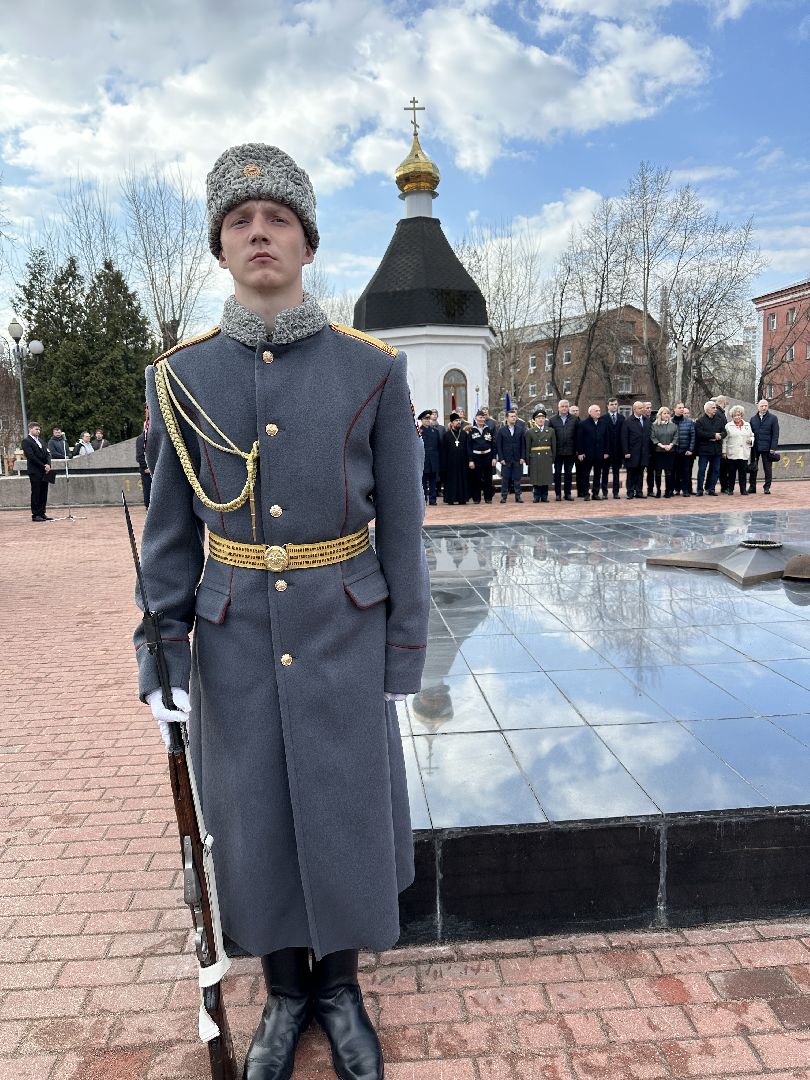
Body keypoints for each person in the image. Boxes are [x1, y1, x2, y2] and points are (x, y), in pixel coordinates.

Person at [134, 143, 429, 1080]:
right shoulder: (180, 380)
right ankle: (284, 989)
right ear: (221, 250)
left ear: (307, 245)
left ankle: (338, 986)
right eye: (238, 222)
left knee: (342, 813)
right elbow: (171, 535)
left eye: (279, 220)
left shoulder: (371, 370)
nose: (259, 233)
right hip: (231, 637)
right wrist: (161, 656)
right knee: (253, 813)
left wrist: (403, 653)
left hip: (343, 626)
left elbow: (406, 532)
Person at [575, 404, 610, 500]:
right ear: (590, 412)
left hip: (599, 454)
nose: (598, 412)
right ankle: (586, 493)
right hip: (587, 454)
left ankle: (595, 493)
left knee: (598, 474)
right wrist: (580, 453)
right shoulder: (583, 424)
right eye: (596, 411)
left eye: (599, 410)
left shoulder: (603, 423)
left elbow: (607, 438)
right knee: (585, 475)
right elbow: (579, 440)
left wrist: (606, 452)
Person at [21, 421, 53, 522]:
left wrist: (48, 465)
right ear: (30, 429)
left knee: (44, 492)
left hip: (45, 471)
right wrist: (43, 466)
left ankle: (42, 512)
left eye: (39, 429)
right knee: (36, 492)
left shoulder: (41, 441)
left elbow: (48, 454)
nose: (38, 431)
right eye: (36, 429)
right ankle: (35, 514)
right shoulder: (26, 441)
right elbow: (31, 456)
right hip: (35, 471)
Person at [694, 400, 726, 496]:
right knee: (702, 470)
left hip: (716, 449)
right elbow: (699, 433)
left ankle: (711, 488)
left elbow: (724, 432)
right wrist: (713, 435)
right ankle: (699, 489)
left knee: (715, 470)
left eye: (715, 408)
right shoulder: (700, 421)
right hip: (704, 450)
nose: (715, 409)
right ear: (707, 409)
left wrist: (720, 436)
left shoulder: (719, 420)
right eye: (713, 408)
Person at [549, 399, 578, 502]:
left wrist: (577, 450)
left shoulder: (574, 419)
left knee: (568, 473)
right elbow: (550, 437)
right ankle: (558, 494)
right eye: (562, 406)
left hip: (570, 451)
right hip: (557, 452)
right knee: (557, 473)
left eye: (566, 406)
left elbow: (577, 436)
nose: (564, 408)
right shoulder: (552, 420)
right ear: (558, 408)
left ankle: (568, 493)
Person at [749, 398, 780, 494]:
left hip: (767, 448)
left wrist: (773, 448)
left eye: (765, 406)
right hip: (755, 448)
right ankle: (752, 487)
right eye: (762, 406)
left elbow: (775, 434)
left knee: (768, 468)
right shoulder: (753, 419)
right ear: (758, 407)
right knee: (753, 467)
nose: (764, 408)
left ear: (768, 407)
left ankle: (767, 487)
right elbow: (750, 434)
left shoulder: (773, 418)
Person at [525, 406, 556, 502]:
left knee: (546, 477)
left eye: (542, 418)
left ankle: (545, 496)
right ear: (534, 420)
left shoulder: (550, 430)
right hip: (535, 457)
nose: (541, 420)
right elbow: (527, 447)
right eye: (538, 418)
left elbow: (553, 446)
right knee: (536, 477)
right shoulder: (530, 432)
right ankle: (536, 496)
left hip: (547, 456)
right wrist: (527, 459)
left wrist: (553, 457)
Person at [495, 407, 525, 503]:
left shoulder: (520, 430)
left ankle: (518, 496)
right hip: (506, 458)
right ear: (507, 418)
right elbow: (498, 445)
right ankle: (504, 496)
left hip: (517, 458)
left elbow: (523, 445)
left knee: (517, 478)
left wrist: (522, 457)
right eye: (511, 416)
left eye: (515, 416)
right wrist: (501, 458)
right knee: (505, 478)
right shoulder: (501, 430)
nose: (514, 418)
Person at [621, 401, 649, 499]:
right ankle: (630, 491)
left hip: (643, 452)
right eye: (640, 408)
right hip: (632, 453)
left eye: (643, 408)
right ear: (634, 409)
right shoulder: (628, 421)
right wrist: (626, 451)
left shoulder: (646, 420)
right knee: (631, 473)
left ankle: (639, 491)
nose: (642, 409)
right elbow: (624, 438)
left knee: (640, 473)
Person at [724, 405, 754, 495]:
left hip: (743, 452)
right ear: (732, 416)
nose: (737, 417)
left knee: (743, 473)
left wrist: (751, 440)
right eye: (735, 415)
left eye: (739, 415)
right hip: (732, 452)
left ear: (742, 415)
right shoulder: (728, 426)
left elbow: (752, 435)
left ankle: (743, 489)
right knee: (731, 473)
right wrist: (724, 451)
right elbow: (724, 440)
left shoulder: (747, 425)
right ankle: (730, 489)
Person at [467, 409, 495, 504]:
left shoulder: (489, 429)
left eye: (483, 417)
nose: (482, 419)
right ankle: (476, 498)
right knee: (476, 478)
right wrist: (470, 460)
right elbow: (469, 446)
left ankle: (488, 498)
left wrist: (494, 458)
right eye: (480, 417)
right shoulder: (471, 430)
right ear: (476, 418)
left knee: (488, 478)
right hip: (476, 457)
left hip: (487, 456)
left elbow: (493, 445)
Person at [442, 412, 470, 504]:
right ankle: (451, 499)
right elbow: (444, 451)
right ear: (451, 423)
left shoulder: (464, 434)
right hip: (451, 463)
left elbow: (468, 449)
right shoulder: (446, 435)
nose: (458, 422)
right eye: (456, 421)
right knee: (451, 481)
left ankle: (462, 498)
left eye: (459, 420)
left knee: (462, 480)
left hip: (462, 462)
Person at [650, 406, 678, 497]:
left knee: (668, 472)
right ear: (660, 415)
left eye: (668, 413)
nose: (666, 415)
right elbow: (653, 437)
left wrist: (671, 445)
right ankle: (658, 490)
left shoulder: (673, 425)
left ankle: (668, 491)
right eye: (664, 413)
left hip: (670, 451)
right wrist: (660, 445)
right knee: (658, 472)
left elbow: (676, 436)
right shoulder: (655, 425)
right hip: (658, 452)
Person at [418, 409, 441, 505]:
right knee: (423, 482)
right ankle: (423, 500)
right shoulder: (419, 431)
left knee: (433, 481)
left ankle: (432, 499)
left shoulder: (434, 431)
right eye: (425, 419)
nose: (427, 420)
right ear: (422, 420)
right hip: (423, 460)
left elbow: (438, 446)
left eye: (429, 418)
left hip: (433, 460)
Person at [604, 398, 625, 499]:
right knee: (605, 472)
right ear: (608, 406)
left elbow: (624, 435)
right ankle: (604, 492)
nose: (614, 406)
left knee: (616, 473)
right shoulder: (603, 418)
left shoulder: (622, 418)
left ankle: (615, 492)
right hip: (607, 451)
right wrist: (604, 451)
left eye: (615, 404)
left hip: (618, 451)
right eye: (611, 404)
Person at [673, 404, 695, 496]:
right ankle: (676, 489)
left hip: (685, 451)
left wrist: (690, 449)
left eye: (682, 408)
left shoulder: (689, 422)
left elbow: (693, 436)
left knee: (686, 471)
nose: (681, 409)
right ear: (675, 409)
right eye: (679, 408)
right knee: (674, 471)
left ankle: (685, 490)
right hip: (673, 451)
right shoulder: (670, 421)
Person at [713, 395, 729, 495]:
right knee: (722, 468)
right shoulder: (720, 414)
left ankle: (723, 486)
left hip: (719, 443)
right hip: (720, 444)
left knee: (720, 468)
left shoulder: (719, 413)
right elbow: (723, 429)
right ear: (723, 402)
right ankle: (724, 486)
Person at [135, 420, 151, 509]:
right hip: (146, 470)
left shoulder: (152, 437)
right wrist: (146, 467)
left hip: (154, 468)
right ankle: (148, 505)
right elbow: (140, 455)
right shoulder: (141, 439)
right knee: (148, 488)